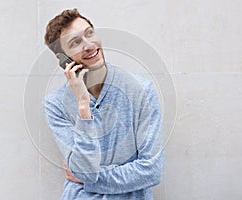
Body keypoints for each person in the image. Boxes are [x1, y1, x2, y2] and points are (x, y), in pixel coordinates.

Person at [43, 8, 164, 200]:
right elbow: (84, 167)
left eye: (89, 33)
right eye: (75, 42)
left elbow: (151, 170)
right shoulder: (55, 104)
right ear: (63, 59)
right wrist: (83, 105)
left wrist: (90, 180)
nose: (89, 45)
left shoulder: (141, 90)